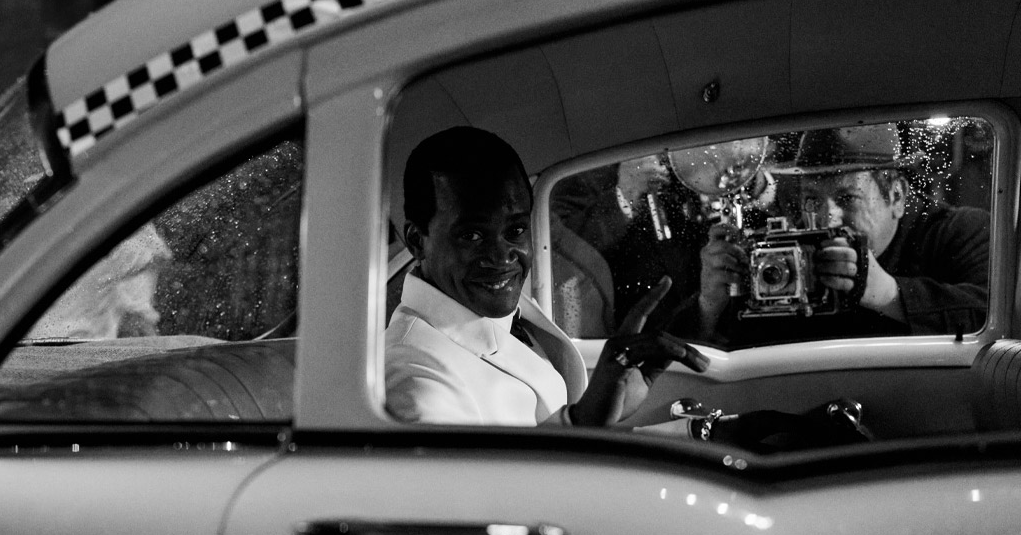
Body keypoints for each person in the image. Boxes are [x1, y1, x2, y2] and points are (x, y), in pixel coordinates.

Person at [385, 126, 707, 426]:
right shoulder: (415, 379)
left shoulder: (499, 310)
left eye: (516, 230)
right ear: (417, 241)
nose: (503, 257)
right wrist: (580, 423)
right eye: (472, 236)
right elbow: (485, 487)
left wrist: (597, 412)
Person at [669, 124, 990, 348]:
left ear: (896, 195)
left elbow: (997, 321)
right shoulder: (795, 253)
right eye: (812, 200)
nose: (827, 216)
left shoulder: (960, 233)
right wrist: (709, 308)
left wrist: (889, 295)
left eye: (847, 198)